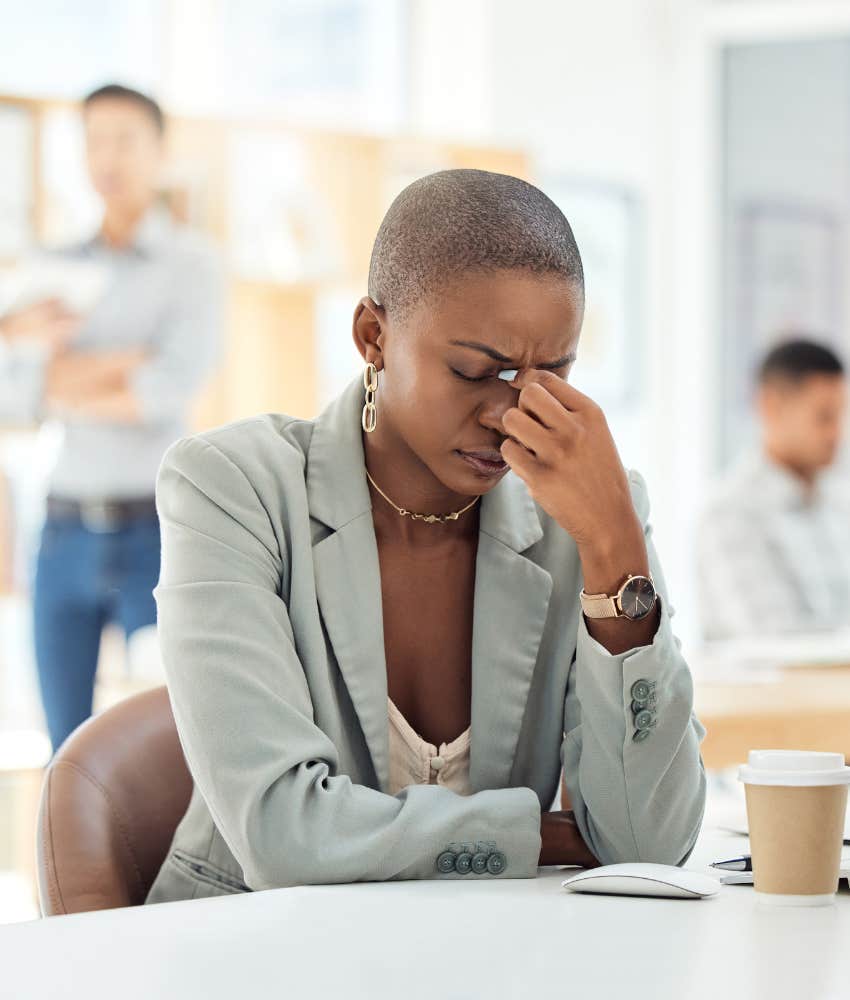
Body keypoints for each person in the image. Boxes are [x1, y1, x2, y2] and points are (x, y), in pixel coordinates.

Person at [145, 169, 706, 904]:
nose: (515, 412)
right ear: (373, 337)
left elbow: (647, 844)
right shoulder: (230, 489)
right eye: (478, 371)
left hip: (485, 962)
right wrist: (534, 834)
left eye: (556, 372)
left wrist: (615, 556)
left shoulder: (588, 511)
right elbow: (282, 839)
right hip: (252, 953)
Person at [0, 84, 224, 752]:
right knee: (65, 748)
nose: (108, 157)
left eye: (124, 139)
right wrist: (121, 361)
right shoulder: (53, 268)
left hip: (156, 532)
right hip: (62, 533)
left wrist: (59, 373)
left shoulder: (193, 265)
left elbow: (167, 386)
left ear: (160, 152)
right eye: (93, 140)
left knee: (166, 740)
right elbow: (15, 398)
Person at [697, 339, 850, 641]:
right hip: (780, 688)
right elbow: (768, 639)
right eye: (824, 417)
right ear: (771, 406)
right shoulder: (730, 514)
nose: (836, 433)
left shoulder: (838, 504)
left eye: (840, 416)